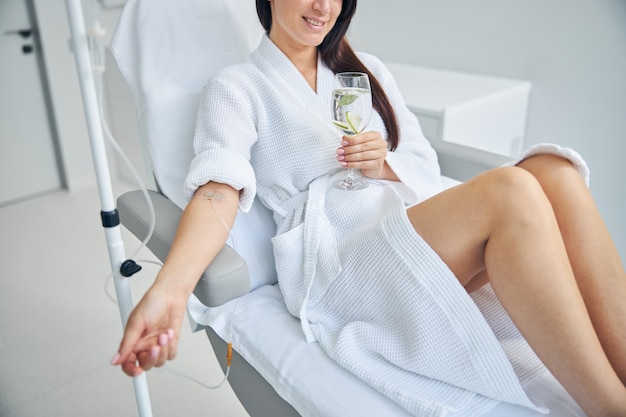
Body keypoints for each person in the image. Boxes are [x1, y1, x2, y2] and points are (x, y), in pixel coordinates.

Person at [111, 0, 626, 415]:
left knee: (553, 173)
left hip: (397, 220)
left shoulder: (365, 71)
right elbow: (219, 187)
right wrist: (171, 288)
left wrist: (384, 165)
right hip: (337, 258)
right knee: (512, 190)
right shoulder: (238, 86)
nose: (323, 6)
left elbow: (422, 161)